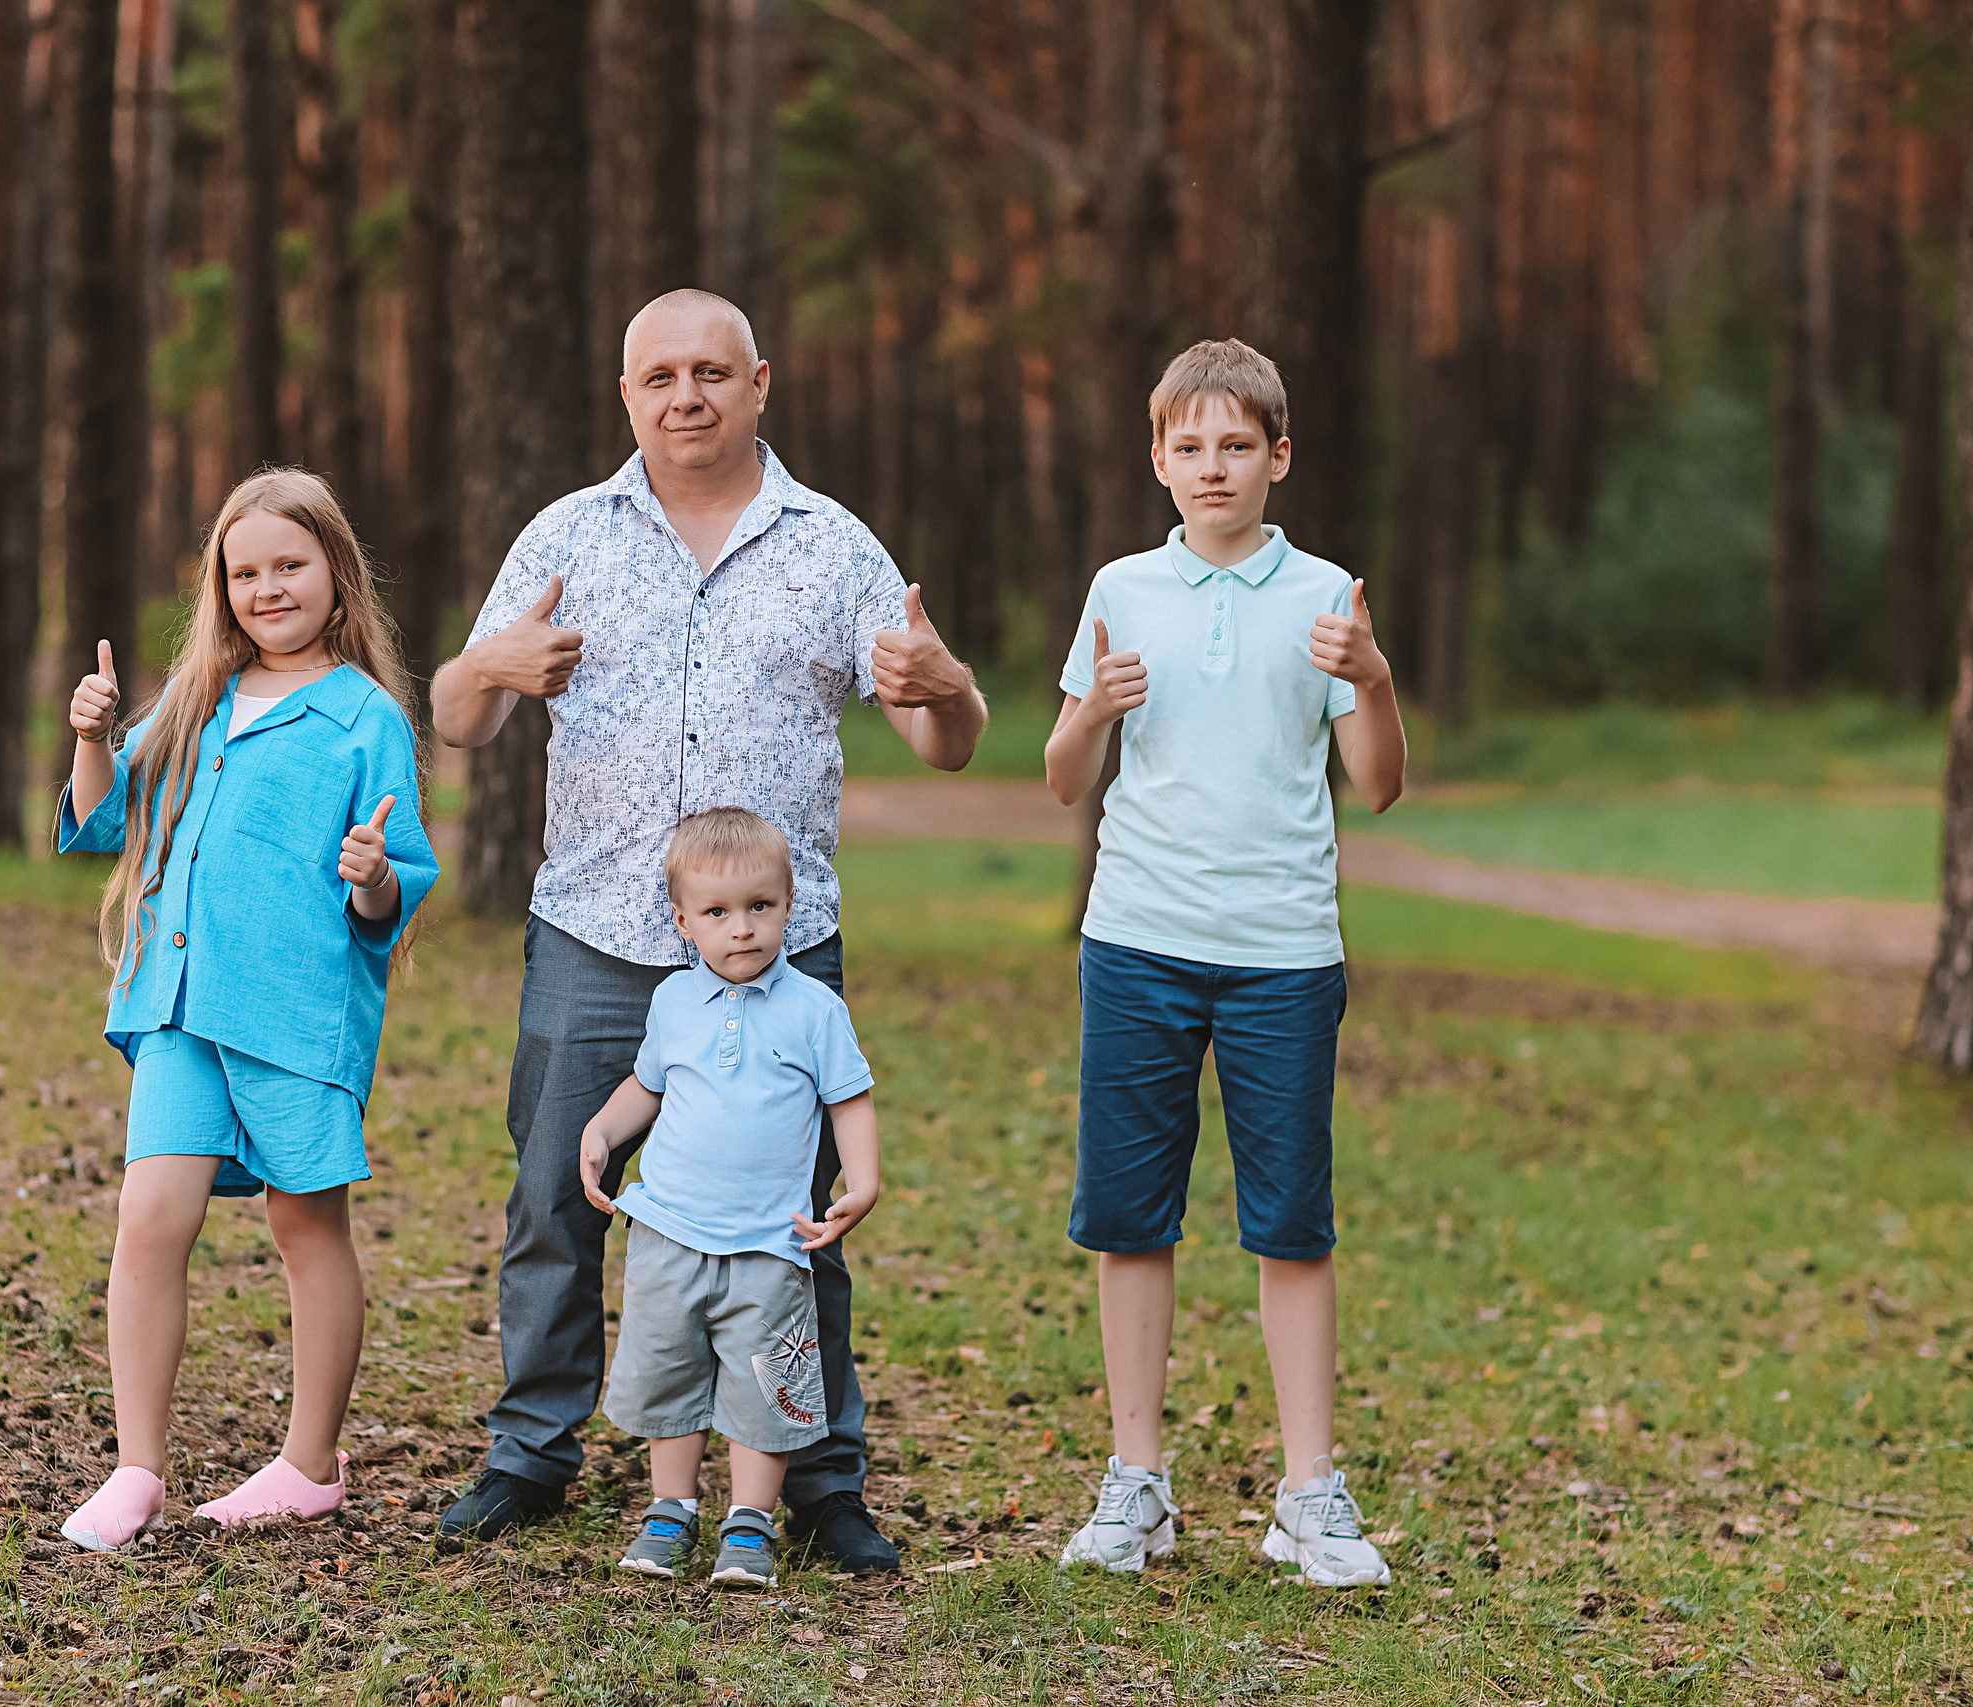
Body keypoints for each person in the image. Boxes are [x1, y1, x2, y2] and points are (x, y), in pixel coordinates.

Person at [428, 288, 988, 1573]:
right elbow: (460, 714)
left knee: (799, 1217)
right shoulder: (567, 535)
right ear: (625, 396)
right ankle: (534, 1452)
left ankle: (817, 1476)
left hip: (774, 958)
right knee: (554, 1195)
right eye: (659, 376)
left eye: (711, 373)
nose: (686, 396)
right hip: (598, 934)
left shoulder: (832, 546)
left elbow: (942, 739)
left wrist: (943, 684)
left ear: (759, 384)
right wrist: (490, 672)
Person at [1042, 339, 1407, 1587]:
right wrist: (1091, 708)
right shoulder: (1119, 589)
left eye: (1235, 446)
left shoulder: (1326, 596)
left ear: (1277, 457)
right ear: (1158, 460)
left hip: (1282, 955)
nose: (1212, 467)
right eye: (1188, 447)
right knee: (1129, 1221)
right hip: (1137, 943)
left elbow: (1379, 783)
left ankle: (1310, 1494)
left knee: (1290, 1226)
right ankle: (1135, 1483)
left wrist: (1373, 677)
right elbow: (1060, 777)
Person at [53, 468, 438, 1552]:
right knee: (147, 1220)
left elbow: (397, 884)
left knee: (305, 1225)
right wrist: (91, 734)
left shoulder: (364, 717)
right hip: (177, 1006)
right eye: (245, 571)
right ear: (220, 588)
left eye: (290, 566)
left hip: (295, 1019)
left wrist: (371, 874)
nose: (268, 588)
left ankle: (310, 1465)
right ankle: (138, 1468)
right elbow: (97, 822)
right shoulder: (193, 701)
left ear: (335, 575)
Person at [580, 809, 882, 1589]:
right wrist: (604, 1133)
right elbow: (647, 1085)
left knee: (761, 1385)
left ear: (789, 905)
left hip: (769, 1243)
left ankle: (748, 1522)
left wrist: (863, 1178)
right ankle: (669, 1509)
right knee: (669, 1371)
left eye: (760, 907)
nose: (741, 929)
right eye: (717, 912)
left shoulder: (815, 1009)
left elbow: (849, 1100)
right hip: (670, 1232)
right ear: (683, 922)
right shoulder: (675, 1002)